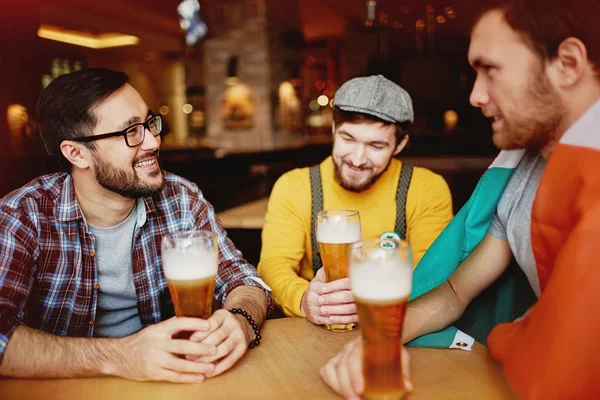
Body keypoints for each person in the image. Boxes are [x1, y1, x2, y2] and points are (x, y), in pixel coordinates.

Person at [321, 0, 600, 398]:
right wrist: (381, 339)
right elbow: (455, 292)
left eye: (490, 70)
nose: (474, 95)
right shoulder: (524, 174)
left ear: (568, 64)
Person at [0, 68, 271, 383]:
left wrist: (240, 320)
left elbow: (244, 281)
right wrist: (119, 356)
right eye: (131, 132)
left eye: (149, 123)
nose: (153, 141)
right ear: (76, 153)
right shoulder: (25, 216)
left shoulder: (181, 198)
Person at [258, 75, 453, 326]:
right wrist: (303, 298)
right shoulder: (294, 186)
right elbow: (274, 264)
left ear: (400, 144)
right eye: (348, 139)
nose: (358, 159)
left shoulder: (425, 189)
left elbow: (432, 275)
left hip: (396, 328)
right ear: (333, 129)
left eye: (376, 145)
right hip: (310, 333)